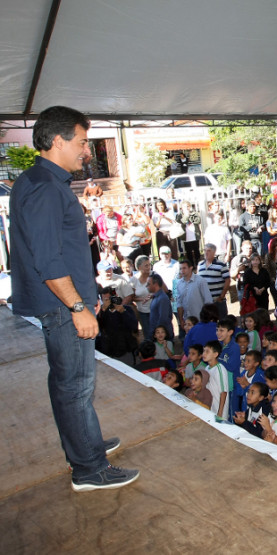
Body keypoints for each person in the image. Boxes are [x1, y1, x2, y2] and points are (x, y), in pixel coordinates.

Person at [9, 105, 139, 491]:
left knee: (68, 385)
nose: (86, 151)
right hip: (63, 308)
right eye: (82, 142)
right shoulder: (45, 189)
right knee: (76, 387)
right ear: (57, 141)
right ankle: (89, 469)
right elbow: (48, 260)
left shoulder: (40, 182)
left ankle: (85, 447)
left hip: (66, 303)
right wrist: (78, 306)